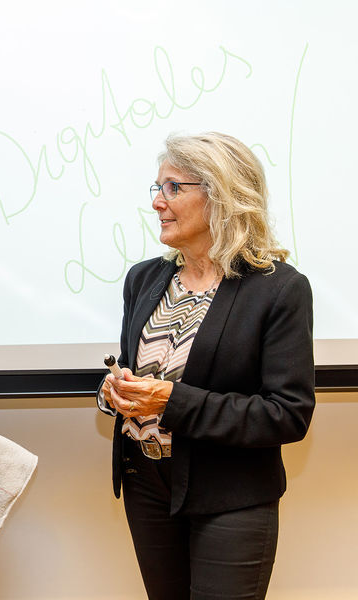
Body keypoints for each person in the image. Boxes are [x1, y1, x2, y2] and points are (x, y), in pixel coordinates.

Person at [98, 132, 315, 599]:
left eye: (173, 188)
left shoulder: (278, 290)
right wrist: (116, 391)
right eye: (156, 188)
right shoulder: (144, 278)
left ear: (221, 195)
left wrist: (172, 402)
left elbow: (288, 413)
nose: (158, 202)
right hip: (148, 488)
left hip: (231, 498)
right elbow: (132, 370)